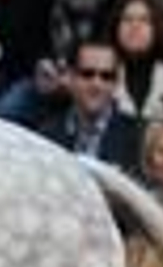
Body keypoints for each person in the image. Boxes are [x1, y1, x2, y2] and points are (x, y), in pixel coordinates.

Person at [38, 36, 143, 170]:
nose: (96, 84)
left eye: (106, 76)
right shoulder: (47, 135)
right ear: (70, 76)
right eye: (87, 74)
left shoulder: (138, 137)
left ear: (116, 82)